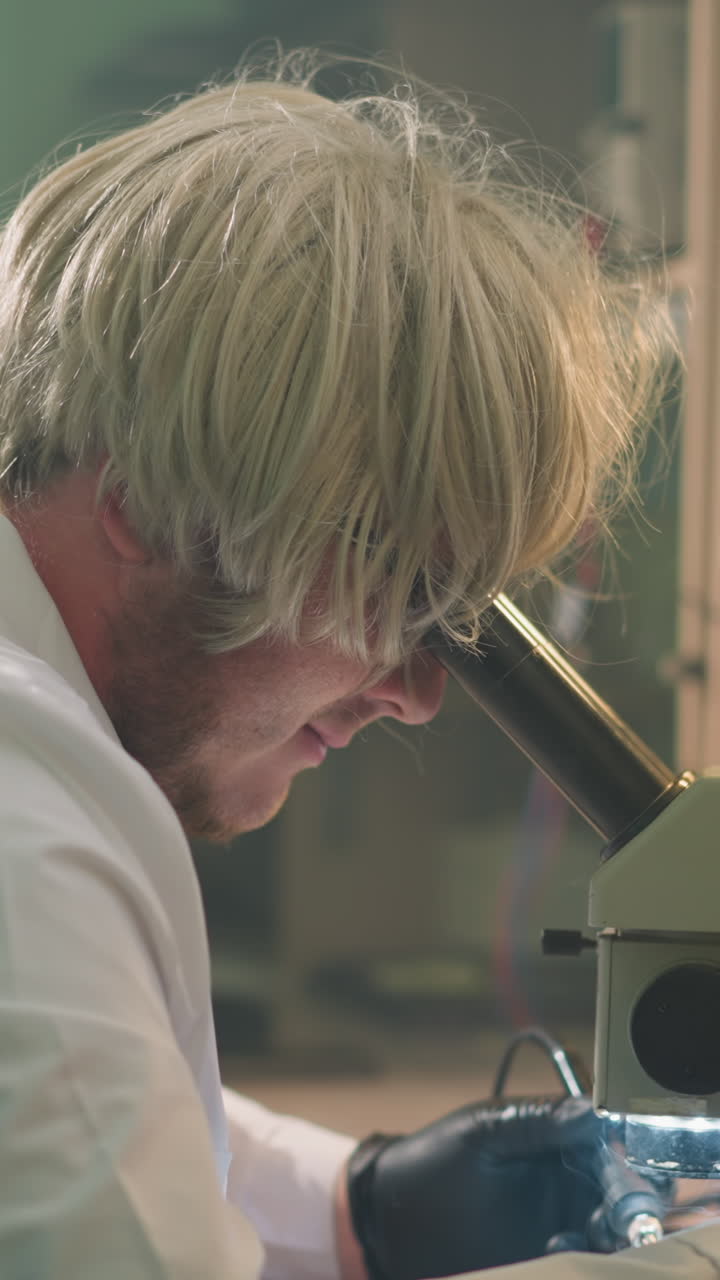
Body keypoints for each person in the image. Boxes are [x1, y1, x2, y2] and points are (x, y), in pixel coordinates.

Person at [0, 48, 713, 1280]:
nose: (419, 688)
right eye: (400, 589)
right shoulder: (23, 816)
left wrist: (355, 1200)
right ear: (144, 506)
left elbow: (79, 1099)